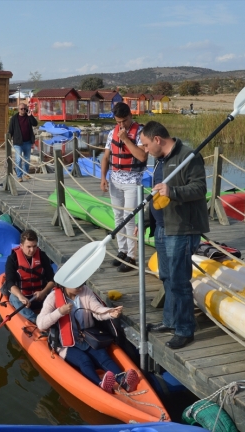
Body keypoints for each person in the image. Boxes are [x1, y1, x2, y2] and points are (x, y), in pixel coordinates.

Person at [137, 121, 209, 349]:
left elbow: (199, 189)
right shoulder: (159, 161)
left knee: (179, 281)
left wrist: (173, 191)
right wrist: (147, 221)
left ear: (157, 139)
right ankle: (169, 321)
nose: (145, 150)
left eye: (146, 145)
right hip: (162, 227)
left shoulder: (189, 157)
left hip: (181, 229)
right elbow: (156, 196)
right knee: (166, 278)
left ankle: (185, 329)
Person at [36, 283, 139, 394]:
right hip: (65, 343)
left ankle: (123, 380)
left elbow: (97, 310)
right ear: (65, 283)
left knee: (103, 356)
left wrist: (110, 313)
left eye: (82, 284)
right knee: (84, 360)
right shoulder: (53, 297)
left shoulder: (85, 291)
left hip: (85, 337)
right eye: (77, 285)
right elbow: (41, 324)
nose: (80, 288)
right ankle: (100, 385)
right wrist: (59, 312)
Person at [100, 102, 148, 273]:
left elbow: (142, 156)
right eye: (118, 122)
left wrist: (126, 139)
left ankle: (132, 256)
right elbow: (106, 157)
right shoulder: (112, 132)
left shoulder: (140, 132)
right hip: (115, 180)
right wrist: (103, 178)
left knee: (129, 219)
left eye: (124, 121)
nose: (121, 125)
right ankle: (122, 251)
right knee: (118, 217)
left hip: (132, 182)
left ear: (131, 116)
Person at [4, 229, 55, 323]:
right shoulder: (12, 259)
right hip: (24, 298)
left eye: (34, 246)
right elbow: (10, 282)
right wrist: (20, 296)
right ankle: (36, 320)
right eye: (29, 247)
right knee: (13, 297)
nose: (32, 250)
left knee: (56, 291)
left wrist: (43, 292)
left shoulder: (42, 256)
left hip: (40, 295)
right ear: (21, 246)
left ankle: (54, 316)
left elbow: (52, 279)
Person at [8, 103, 38, 181]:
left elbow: (35, 124)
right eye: (21, 109)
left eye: (25, 109)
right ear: (18, 109)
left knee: (27, 159)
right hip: (18, 143)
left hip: (28, 142)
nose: (23, 110)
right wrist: (9, 139)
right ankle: (19, 176)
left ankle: (26, 173)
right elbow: (10, 130)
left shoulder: (28, 117)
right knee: (18, 159)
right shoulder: (14, 118)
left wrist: (30, 116)